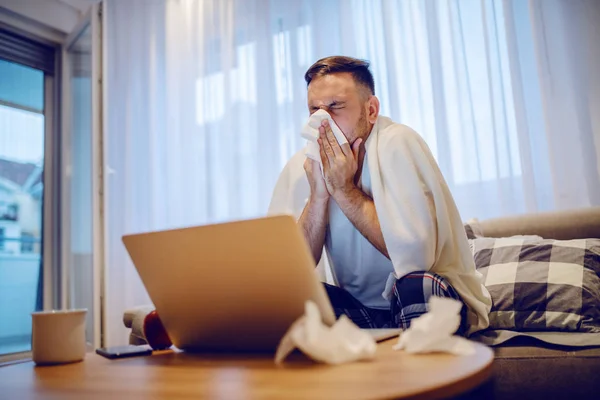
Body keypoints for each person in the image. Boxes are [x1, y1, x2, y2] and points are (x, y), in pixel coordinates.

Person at [268, 56, 491, 335]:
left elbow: (416, 260)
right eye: (315, 109)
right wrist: (320, 196)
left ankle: (424, 377)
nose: (322, 122)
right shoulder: (306, 163)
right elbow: (290, 271)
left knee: (416, 286)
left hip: (432, 299)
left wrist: (344, 189)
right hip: (361, 311)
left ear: (371, 110)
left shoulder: (397, 142)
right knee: (293, 303)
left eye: (336, 107)